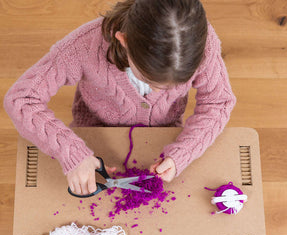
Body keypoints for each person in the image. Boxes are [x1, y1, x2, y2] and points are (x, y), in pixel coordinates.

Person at [4, 0, 236, 196]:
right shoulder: (84, 47)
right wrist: (72, 153)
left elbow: (218, 103)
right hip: (92, 143)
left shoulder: (202, 45)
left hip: (163, 140)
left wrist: (181, 154)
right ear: (123, 42)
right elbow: (21, 98)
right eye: (149, 80)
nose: (157, 93)